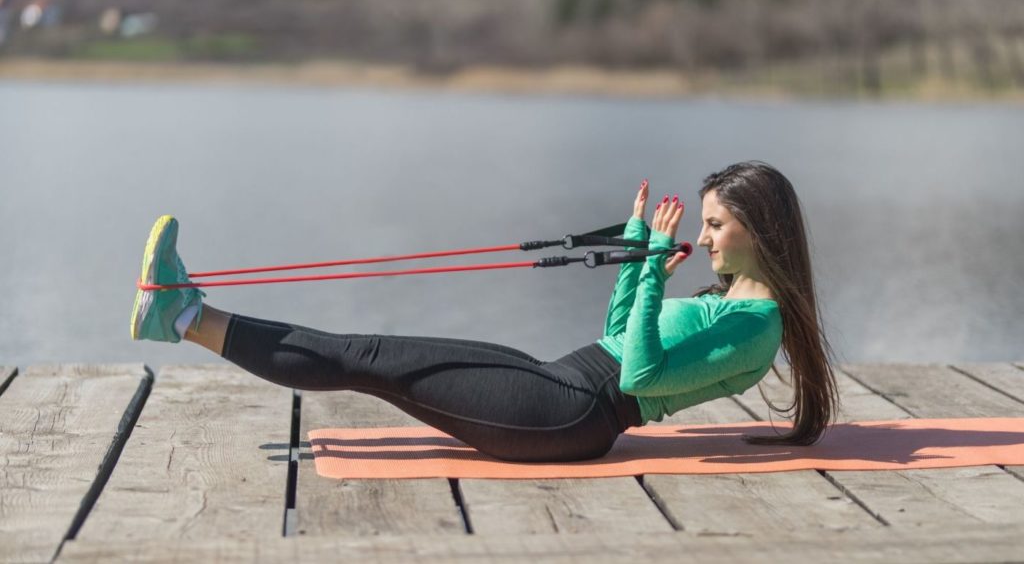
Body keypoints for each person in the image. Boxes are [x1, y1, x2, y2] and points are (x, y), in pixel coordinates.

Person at [130, 160, 839, 462]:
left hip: (570, 417)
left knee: (364, 360)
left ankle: (185, 318)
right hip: (558, 384)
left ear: (761, 229)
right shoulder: (728, 304)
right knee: (371, 352)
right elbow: (617, 336)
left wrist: (653, 272)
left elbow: (643, 378)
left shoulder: (756, 328)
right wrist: (635, 253)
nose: (705, 237)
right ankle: (185, 314)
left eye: (717, 225)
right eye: (706, 223)